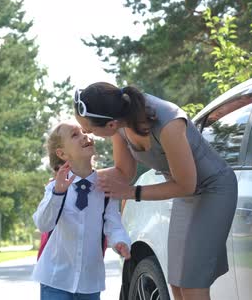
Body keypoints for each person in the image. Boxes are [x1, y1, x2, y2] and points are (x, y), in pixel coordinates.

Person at [74, 83, 238, 300]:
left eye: (90, 129)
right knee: (178, 283)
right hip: (184, 193)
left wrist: (131, 192)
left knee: (193, 283)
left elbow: (185, 184)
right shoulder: (120, 123)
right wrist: (77, 178)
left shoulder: (168, 123)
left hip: (213, 189)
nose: (87, 134)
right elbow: (124, 171)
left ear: (111, 124)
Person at [32, 121, 131, 300]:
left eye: (84, 132)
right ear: (62, 153)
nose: (85, 136)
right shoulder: (55, 187)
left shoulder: (106, 188)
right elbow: (43, 224)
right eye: (75, 135)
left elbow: (113, 225)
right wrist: (58, 193)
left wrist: (120, 241)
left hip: (89, 282)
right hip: (55, 278)